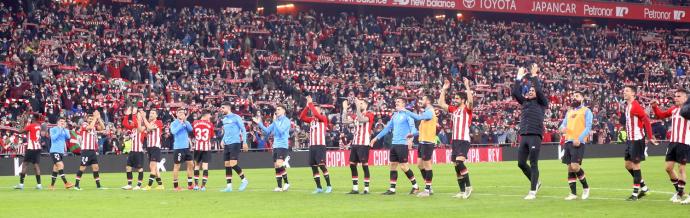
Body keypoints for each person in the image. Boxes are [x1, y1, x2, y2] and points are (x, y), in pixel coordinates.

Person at [511, 64, 548, 200]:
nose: (531, 91)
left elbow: (538, 89)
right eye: (529, 90)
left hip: (535, 136)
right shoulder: (525, 102)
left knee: (533, 163)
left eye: (533, 90)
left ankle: (532, 191)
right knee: (520, 163)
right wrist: (519, 76)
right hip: (524, 136)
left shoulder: (541, 103)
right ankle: (536, 183)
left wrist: (534, 75)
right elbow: (515, 92)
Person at [371, 97, 419, 195]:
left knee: (404, 167)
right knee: (393, 166)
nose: (396, 103)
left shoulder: (408, 115)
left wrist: (411, 138)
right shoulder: (395, 115)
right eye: (396, 101)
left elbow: (414, 129)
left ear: (404, 104)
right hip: (394, 144)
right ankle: (392, 189)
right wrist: (376, 138)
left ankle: (416, 186)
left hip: (402, 144)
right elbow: (387, 128)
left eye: (398, 102)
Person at [438, 78, 474, 199]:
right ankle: (462, 191)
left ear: (463, 100)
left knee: (459, 162)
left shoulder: (467, 110)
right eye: (455, 98)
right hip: (455, 141)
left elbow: (471, 101)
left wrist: (467, 86)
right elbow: (441, 104)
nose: (455, 100)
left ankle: (469, 187)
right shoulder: (454, 109)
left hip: (464, 140)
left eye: (457, 98)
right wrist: (444, 89)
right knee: (456, 166)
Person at [651, 88, 689, 203]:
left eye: (679, 96)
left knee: (681, 169)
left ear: (685, 98)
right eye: (675, 96)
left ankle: (680, 194)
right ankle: (679, 192)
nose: (676, 98)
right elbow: (660, 115)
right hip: (673, 142)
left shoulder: (688, 111)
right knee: (668, 168)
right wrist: (654, 107)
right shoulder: (673, 109)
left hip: (684, 142)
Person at [622, 85, 658, 201]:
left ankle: (635, 194)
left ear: (633, 93)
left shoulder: (635, 106)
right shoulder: (627, 106)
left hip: (637, 140)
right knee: (628, 165)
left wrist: (650, 136)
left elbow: (646, 120)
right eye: (624, 90)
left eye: (627, 91)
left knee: (636, 165)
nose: (624, 92)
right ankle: (644, 187)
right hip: (630, 140)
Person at [558, 91, 592, 200]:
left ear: (582, 98)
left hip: (578, 142)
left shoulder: (586, 111)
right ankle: (573, 193)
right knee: (569, 168)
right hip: (568, 141)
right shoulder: (569, 111)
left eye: (577, 96)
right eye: (573, 96)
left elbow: (588, 127)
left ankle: (586, 188)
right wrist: (561, 129)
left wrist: (579, 139)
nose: (574, 98)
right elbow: (562, 125)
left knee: (575, 166)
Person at [403, 93, 438, 197]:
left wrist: (406, 111)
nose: (421, 101)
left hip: (428, 142)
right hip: (422, 142)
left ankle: (427, 189)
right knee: (419, 165)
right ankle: (429, 186)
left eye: (423, 99)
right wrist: (412, 134)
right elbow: (422, 129)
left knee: (427, 165)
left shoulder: (430, 112)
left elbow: (417, 118)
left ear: (428, 101)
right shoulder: (427, 112)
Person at [254, 104, 291, 192]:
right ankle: (279, 186)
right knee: (276, 166)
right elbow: (267, 131)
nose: (277, 111)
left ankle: (287, 183)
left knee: (279, 164)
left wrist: (275, 122)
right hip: (275, 146)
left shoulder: (286, 121)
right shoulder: (276, 121)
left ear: (283, 111)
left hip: (282, 145)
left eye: (279, 109)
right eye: (276, 109)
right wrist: (259, 123)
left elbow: (281, 131)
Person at [299, 96, 332, 194]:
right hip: (312, 146)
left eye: (316, 108)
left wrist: (310, 104)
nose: (314, 110)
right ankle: (319, 187)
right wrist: (307, 107)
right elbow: (301, 117)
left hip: (320, 145)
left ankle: (329, 185)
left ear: (320, 110)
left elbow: (317, 115)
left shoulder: (323, 118)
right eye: (314, 108)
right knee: (313, 166)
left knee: (321, 165)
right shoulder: (311, 120)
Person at [343, 99, 375, 194]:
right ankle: (355, 188)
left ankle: (366, 189)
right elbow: (344, 121)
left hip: (364, 144)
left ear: (366, 105)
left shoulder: (369, 114)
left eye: (361, 103)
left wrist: (357, 106)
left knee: (364, 165)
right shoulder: (356, 116)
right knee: (352, 165)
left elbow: (362, 119)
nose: (359, 104)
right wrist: (345, 109)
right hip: (355, 143)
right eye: (359, 103)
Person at [219, 102, 249, 192]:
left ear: (228, 108)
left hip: (235, 143)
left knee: (233, 164)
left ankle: (244, 180)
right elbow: (226, 132)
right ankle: (229, 187)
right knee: (227, 165)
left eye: (223, 107)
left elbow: (243, 130)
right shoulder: (224, 119)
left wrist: (244, 142)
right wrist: (222, 140)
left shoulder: (236, 117)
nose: (221, 109)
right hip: (227, 144)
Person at [74, 111, 105, 190]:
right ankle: (76, 185)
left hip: (92, 150)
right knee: (82, 167)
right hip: (86, 150)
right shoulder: (85, 124)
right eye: (89, 118)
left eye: (92, 118)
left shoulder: (94, 126)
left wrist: (99, 118)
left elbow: (103, 127)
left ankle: (98, 186)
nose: (91, 120)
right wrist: (95, 118)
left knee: (96, 167)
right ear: (86, 119)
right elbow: (90, 127)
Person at [14, 114, 44, 190]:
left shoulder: (31, 126)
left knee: (25, 165)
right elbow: (29, 133)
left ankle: (21, 184)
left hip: (31, 148)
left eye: (31, 118)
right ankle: (39, 184)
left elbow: (20, 131)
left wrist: (21, 124)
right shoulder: (38, 126)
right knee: (36, 165)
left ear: (33, 119)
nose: (30, 119)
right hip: (38, 147)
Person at [121, 108, 146, 190]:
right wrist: (127, 115)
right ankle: (129, 184)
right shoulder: (133, 128)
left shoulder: (143, 127)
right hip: (132, 151)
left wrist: (134, 114)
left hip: (139, 151)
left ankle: (138, 185)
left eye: (139, 116)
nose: (136, 117)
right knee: (128, 167)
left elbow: (138, 127)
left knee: (140, 168)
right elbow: (124, 124)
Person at [170, 108, 194, 192]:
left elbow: (191, 129)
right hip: (178, 148)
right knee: (177, 166)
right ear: (176, 114)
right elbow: (173, 132)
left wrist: (185, 122)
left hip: (186, 147)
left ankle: (190, 185)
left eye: (182, 113)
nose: (181, 114)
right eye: (179, 112)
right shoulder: (173, 123)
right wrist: (180, 124)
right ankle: (176, 186)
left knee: (191, 164)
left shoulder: (186, 122)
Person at [48, 117, 74, 190]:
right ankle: (66, 183)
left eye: (64, 121)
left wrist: (64, 128)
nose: (62, 122)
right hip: (54, 150)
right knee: (60, 165)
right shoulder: (53, 129)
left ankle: (52, 185)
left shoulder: (65, 130)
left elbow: (68, 137)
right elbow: (53, 138)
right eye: (61, 121)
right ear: (58, 122)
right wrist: (59, 129)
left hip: (61, 151)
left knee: (56, 168)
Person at [192, 110, 215, 191]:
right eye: (209, 115)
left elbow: (194, 134)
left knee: (196, 166)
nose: (210, 117)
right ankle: (203, 186)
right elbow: (211, 135)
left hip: (197, 147)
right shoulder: (210, 124)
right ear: (206, 115)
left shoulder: (195, 123)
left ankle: (196, 185)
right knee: (205, 167)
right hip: (206, 147)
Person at [143, 109, 164, 190]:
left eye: (153, 113)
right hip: (149, 147)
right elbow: (147, 130)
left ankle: (149, 185)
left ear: (156, 115)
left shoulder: (158, 122)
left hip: (155, 147)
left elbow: (149, 128)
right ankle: (160, 185)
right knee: (154, 168)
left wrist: (144, 118)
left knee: (152, 166)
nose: (151, 114)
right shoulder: (149, 123)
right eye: (150, 113)